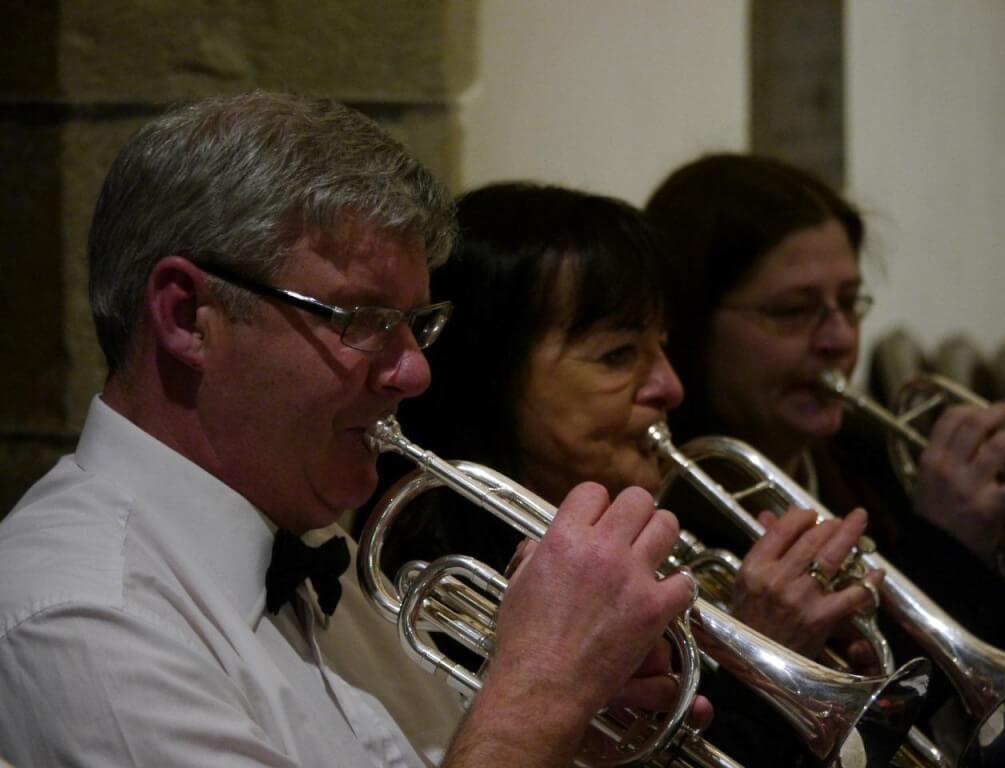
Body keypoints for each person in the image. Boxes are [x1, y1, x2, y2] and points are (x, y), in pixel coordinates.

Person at [0, 92, 704, 768]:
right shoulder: (84, 614)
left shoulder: (325, 557)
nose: (415, 372)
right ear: (187, 317)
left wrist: (575, 739)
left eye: (416, 324)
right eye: (362, 319)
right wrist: (542, 688)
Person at [363, 181, 884, 767]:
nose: (671, 387)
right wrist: (763, 668)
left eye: (662, 346)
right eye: (619, 355)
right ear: (489, 374)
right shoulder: (432, 597)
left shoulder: (664, 527)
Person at [644, 152, 1005, 654]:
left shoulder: (874, 460)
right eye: (793, 311)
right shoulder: (659, 517)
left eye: (848, 303)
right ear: (689, 325)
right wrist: (946, 547)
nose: (840, 339)